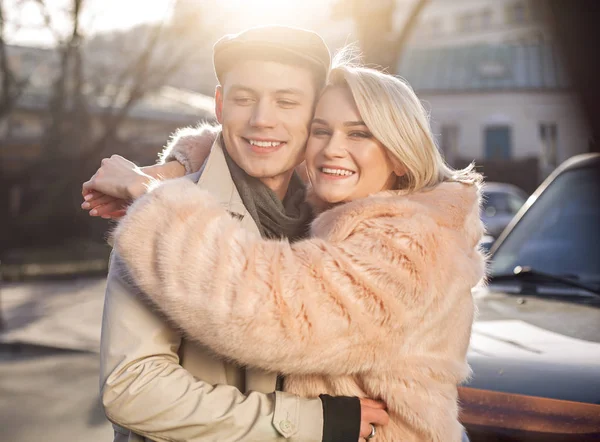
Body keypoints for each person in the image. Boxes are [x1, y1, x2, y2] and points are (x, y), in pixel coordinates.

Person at [86, 54, 486, 441]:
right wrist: (181, 169)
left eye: (360, 133)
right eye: (322, 130)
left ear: (400, 155)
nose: (331, 148)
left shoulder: (412, 241)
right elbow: (260, 142)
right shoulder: (331, 204)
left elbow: (269, 310)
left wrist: (150, 194)